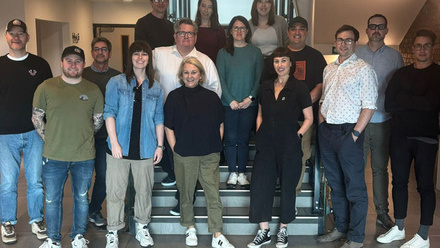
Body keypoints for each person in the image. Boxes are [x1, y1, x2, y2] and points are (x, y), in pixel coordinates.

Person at [32, 46, 104, 248]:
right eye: (69, 60)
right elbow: (37, 117)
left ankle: (78, 236)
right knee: (52, 199)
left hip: (84, 156)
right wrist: (51, 138)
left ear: (83, 64)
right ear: (62, 63)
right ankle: (53, 239)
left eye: (78, 61)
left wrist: (83, 138)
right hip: (54, 155)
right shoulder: (46, 87)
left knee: (82, 198)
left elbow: (97, 121)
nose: (73, 65)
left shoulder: (93, 90)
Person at [377, 29, 440, 248]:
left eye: (427, 45)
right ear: (412, 49)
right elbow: (389, 105)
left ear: (433, 48)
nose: (422, 49)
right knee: (399, 182)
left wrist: (405, 100)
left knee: (425, 187)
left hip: (426, 139)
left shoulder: (438, 74)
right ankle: (399, 228)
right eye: (418, 45)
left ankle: (423, 236)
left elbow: (431, 104)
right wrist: (417, 102)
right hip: (400, 137)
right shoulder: (401, 74)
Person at [316, 25, 378, 248]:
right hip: (327, 131)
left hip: (348, 132)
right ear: (335, 41)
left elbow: (369, 106)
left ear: (356, 43)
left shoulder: (364, 69)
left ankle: (356, 238)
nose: (343, 44)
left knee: (355, 187)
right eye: (340, 40)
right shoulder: (329, 69)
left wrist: (354, 134)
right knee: (335, 185)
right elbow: (323, 99)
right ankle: (340, 228)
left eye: (348, 40)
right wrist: (322, 124)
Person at [164, 57, 234, 248]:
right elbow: (168, 127)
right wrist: (175, 149)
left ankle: (217, 234)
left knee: (213, 195)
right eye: (186, 72)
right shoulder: (174, 97)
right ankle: (190, 228)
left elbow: (220, 123)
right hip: (184, 154)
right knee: (186, 194)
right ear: (181, 75)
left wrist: (214, 145)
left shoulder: (212, 97)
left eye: (194, 72)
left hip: (209, 154)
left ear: (201, 75)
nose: (190, 76)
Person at [153, 17, 221, 215]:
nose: (186, 37)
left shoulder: (205, 60)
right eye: (182, 33)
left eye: (190, 33)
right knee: (171, 157)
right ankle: (173, 174)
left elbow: (215, 90)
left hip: (193, 123)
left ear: (196, 37)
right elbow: (145, 76)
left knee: (187, 161)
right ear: (175, 35)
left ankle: (183, 201)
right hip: (164, 117)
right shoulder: (159, 54)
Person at [248, 47, 313, 248]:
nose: (280, 65)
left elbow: (309, 118)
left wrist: (298, 134)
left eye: (284, 61)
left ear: (290, 64)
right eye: (277, 61)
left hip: (289, 145)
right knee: (260, 186)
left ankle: (283, 230)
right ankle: (264, 231)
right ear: (273, 64)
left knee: (287, 187)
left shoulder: (299, 87)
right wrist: (260, 132)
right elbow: (260, 114)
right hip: (266, 144)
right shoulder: (265, 86)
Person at [103, 40, 164, 248]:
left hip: (146, 147)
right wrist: (114, 143)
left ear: (149, 58)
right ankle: (112, 231)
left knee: (144, 191)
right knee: (115, 192)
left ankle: (142, 228)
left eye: (144, 54)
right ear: (130, 58)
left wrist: (160, 146)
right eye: (136, 54)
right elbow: (109, 112)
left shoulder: (156, 86)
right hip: (119, 148)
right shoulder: (116, 82)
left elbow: (159, 117)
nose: (140, 58)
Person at [0, 18, 52, 244]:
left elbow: (51, 99)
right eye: (12, 33)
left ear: (27, 37)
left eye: (20, 33)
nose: (16, 37)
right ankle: (7, 222)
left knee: (35, 180)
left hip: (34, 133)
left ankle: (36, 219)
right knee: (8, 182)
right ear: (6, 37)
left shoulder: (40, 65)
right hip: (4, 135)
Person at [355, 14, 404, 230]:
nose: (376, 30)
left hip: (383, 120)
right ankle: (352, 210)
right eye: (372, 26)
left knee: (379, 169)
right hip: (357, 121)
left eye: (380, 27)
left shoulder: (395, 57)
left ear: (386, 31)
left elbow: (401, 87)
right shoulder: (355, 53)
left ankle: (382, 212)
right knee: (355, 167)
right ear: (366, 30)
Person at [216, 16, 263, 188]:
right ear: (230, 31)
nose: (239, 31)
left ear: (247, 31)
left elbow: (259, 78)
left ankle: (242, 173)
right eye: (235, 28)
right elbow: (220, 79)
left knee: (243, 139)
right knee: (229, 139)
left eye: (242, 28)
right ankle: (232, 172)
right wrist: (231, 100)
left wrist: (249, 98)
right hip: (228, 104)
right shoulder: (222, 53)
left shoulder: (255, 53)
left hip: (248, 104)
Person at [82, 37, 121, 228]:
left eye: (104, 49)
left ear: (110, 53)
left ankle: (94, 210)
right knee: (83, 177)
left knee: (104, 176)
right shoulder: (81, 74)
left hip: (106, 136)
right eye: (96, 49)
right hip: (83, 136)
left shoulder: (118, 77)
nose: (100, 52)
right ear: (92, 52)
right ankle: (81, 213)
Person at [286, 16, 327, 196]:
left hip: (306, 117)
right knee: (281, 152)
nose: (297, 32)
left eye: (301, 28)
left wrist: (302, 105)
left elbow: (321, 85)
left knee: (302, 153)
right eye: (293, 28)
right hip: (281, 116)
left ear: (307, 32)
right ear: (288, 32)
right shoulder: (279, 55)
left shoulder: (316, 56)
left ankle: (293, 191)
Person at [249, 0, 288, 81]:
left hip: (278, 64)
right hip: (257, 65)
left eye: (267, 2)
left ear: (271, 5)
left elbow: (287, 43)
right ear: (255, 5)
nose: (263, 5)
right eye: (260, 2)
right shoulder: (249, 24)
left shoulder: (280, 21)